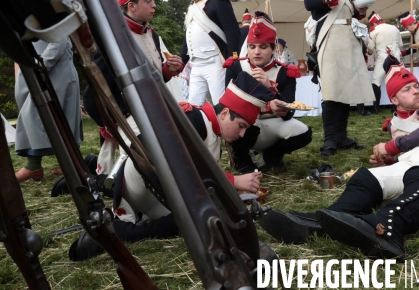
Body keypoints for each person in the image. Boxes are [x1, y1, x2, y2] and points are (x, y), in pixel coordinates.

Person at [258, 55, 419, 260]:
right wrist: (388, 160)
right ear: (394, 100)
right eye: (407, 89)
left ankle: (389, 227)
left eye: (416, 86)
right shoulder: (394, 126)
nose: (417, 90)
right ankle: (327, 221)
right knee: (366, 177)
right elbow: (408, 156)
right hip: (418, 165)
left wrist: (392, 146)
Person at [69, 72, 273, 261]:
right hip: (145, 181)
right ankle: (114, 231)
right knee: (189, 222)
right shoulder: (194, 121)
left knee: (198, 217)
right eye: (241, 126)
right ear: (225, 113)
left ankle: (94, 183)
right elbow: (174, 165)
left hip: (154, 185)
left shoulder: (210, 126)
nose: (242, 134)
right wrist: (233, 181)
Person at [80, 0, 183, 172]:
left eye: (153, 0)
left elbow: (153, 79)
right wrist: (109, 124)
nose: (155, 5)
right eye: (149, 1)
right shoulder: (115, 42)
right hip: (130, 120)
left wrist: (167, 70)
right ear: (131, 6)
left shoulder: (151, 34)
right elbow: (92, 93)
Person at [304, 0, 374, 156]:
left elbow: (350, 13)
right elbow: (309, 3)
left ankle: (342, 137)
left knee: (346, 90)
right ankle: (330, 140)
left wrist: (360, 10)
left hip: (349, 41)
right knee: (332, 91)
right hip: (331, 40)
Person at [223, 12, 311, 173]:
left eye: (263, 47)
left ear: (273, 49)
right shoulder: (235, 67)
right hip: (247, 124)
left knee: (304, 134)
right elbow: (226, 106)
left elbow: (288, 114)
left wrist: (270, 87)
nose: (256, 52)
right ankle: (241, 157)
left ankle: (272, 154)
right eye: (252, 46)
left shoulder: (285, 72)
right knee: (234, 121)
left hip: (273, 123)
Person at [14, 37, 83, 183]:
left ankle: (73, 164)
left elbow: (59, 38)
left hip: (56, 70)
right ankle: (35, 166)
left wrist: (41, 65)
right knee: (30, 115)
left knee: (63, 118)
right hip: (33, 69)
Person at [179, 0, 240, 105]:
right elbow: (188, 40)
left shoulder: (217, 1)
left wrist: (233, 56)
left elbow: (232, 30)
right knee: (194, 106)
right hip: (196, 65)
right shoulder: (191, 9)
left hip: (215, 62)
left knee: (221, 104)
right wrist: (181, 62)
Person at [367, 11, 402, 114]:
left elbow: (370, 49)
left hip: (382, 58)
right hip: (396, 57)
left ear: (373, 23)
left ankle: (376, 108)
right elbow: (400, 44)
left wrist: (368, 52)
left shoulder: (374, 31)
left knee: (376, 82)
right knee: (396, 81)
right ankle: (396, 106)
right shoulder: (395, 28)